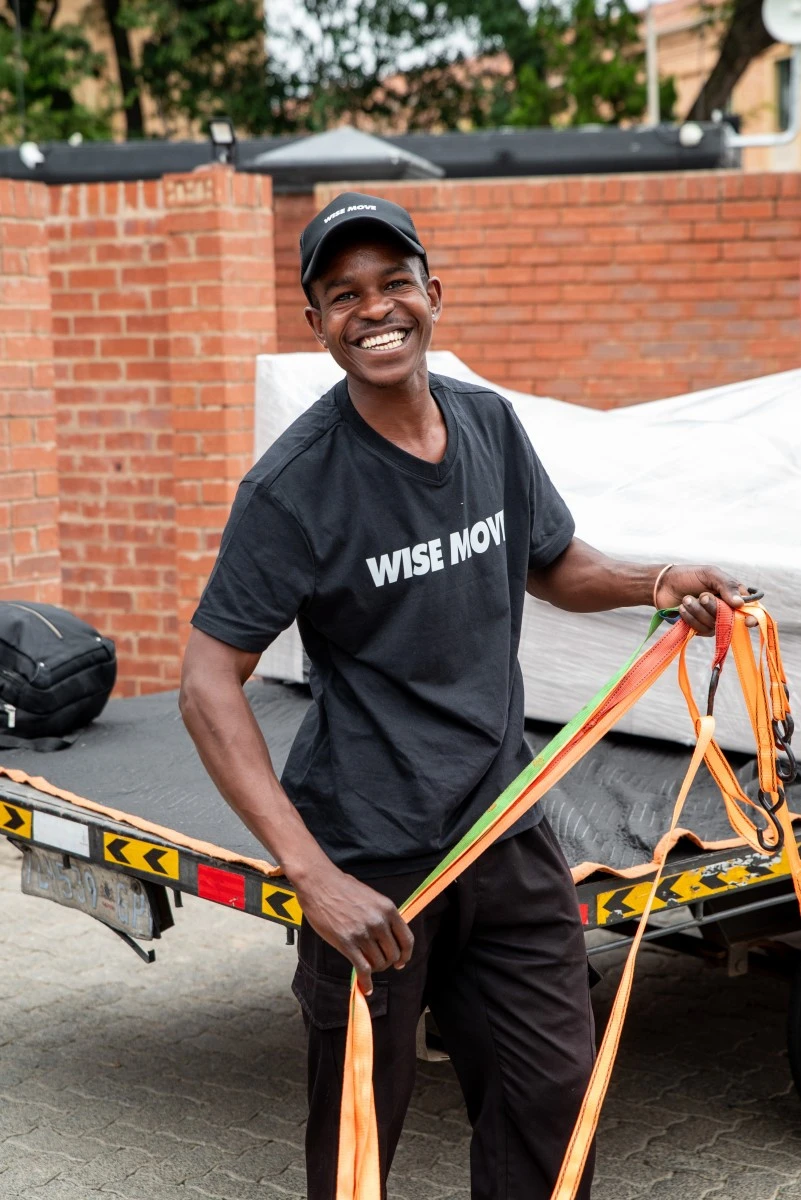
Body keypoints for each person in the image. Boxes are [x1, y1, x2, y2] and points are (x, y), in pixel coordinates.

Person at [180, 191, 755, 1200]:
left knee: (552, 1097)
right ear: (317, 324)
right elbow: (204, 683)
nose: (374, 309)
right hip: (374, 859)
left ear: (432, 295)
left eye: (393, 283)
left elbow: (554, 563)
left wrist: (656, 580)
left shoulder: (488, 423)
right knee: (361, 1142)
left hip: (502, 825)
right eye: (343, 295)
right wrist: (313, 877)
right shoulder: (293, 488)